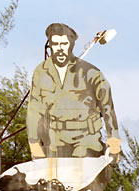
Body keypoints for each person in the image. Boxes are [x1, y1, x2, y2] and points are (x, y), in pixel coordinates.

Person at [27, 23, 121, 159]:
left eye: (64, 44)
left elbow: (107, 109)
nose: (60, 49)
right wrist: (35, 145)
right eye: (55, 44)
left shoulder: (92, 74)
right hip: (55, 145)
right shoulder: (41, 74)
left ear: (71, 45)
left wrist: (114, 144)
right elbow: (34, 110)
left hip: (87, 142)